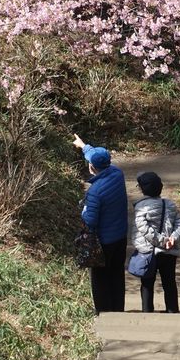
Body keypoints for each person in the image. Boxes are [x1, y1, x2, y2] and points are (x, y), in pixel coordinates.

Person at [73, 133, 128, 314]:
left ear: (91, 168)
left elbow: (90, 220)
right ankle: (118, 310)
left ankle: (104, 312)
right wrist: (83, 146)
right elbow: (96, 156)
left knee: (100, 278)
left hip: (103, 242)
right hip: (120, 237)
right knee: (116, 275)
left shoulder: (95, 191)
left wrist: (84, 209)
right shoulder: (117, 174)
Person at [132, 171, 180, 313]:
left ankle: (147, 311)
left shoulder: (141, 207)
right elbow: (179, 223)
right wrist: (173, 238)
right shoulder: (170, 204)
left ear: (142, 189)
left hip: (148, 251)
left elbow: (143, 228)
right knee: (169, 282)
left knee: (147, 283)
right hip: (169, 250)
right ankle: (172, 310)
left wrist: (161, 241)